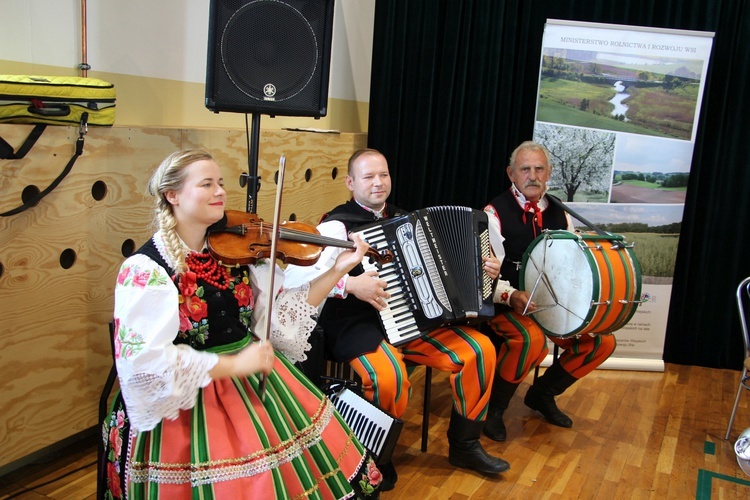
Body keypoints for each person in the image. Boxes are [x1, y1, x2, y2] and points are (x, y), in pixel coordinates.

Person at [98, 149, 384, 499]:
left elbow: (280, 318)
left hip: (250, 384)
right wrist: (233, 363)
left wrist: (340, 267)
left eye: (220, 183)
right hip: (184, 406)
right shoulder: (145, 270)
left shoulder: (235, 253)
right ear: (172, 195)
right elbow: (144, 364)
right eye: (207, 184)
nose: (220, 191)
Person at [285, 148, 510, 489]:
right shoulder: (335, 224)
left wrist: (484, 272)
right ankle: (376, 458)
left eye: (384, 175)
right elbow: (298, 279)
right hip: (357, 323)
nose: (378, 183)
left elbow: (446, 280)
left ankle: (464, 445)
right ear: (350, 182)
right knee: (388, 378)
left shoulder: (411, 222)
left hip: (411, 322)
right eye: (368, 176)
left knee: (479, 351)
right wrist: (350, 284)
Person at [481, 140, 617, 442]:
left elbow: (571, 265)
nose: (533, 175)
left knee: (602, 342)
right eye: (525, 169)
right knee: (530, 339)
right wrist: (511, 296)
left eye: (539, 168)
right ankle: (494, 410)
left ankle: (542, 394)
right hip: (503, 306)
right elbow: (481, 276)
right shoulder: (493, 213)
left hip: (551, 307)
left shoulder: (560, 212)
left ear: (549, 173)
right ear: (511, 174)